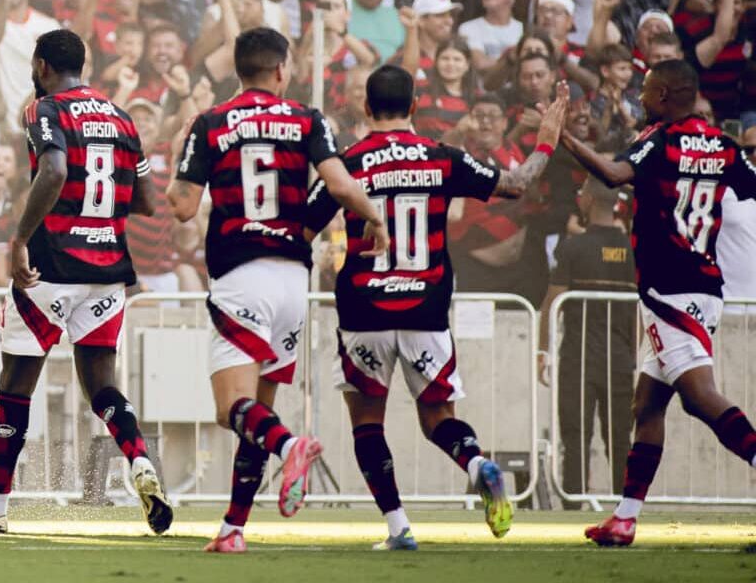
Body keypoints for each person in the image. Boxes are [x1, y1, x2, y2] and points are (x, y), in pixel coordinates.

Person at [306, 65, 566, 550]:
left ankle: (398, 527)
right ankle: (477, 465)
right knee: (437, 418)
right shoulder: (441, 157)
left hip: (365, 310)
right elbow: (516, 183)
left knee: (367, 420)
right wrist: (546, 139)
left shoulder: (349, 162)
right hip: (426, 308)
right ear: (414, 107)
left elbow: (305, 225)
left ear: (366, 108)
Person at [166, 27, 388, 554]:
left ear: (237, 70)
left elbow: (180, 207)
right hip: (293, 279)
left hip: (241, 275)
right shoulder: (308, 119)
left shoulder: (212, 122)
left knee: (231, 410)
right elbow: (337, 186)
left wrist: (179, 156)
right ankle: (233, 529)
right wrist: (374, 218)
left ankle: (293, 445)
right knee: (259, 409)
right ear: (283, 70)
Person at [0, 29, 171, 535]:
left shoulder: (44, 110)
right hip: (109, 271)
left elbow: (53, 170)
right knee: (103, 384)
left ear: (41, 66)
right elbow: (151, 202)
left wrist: (21, 238)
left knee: (16, 384)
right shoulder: (124, 117)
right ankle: (138, 460)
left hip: (50, 269)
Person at [560, 59, 756, 546]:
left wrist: (561, 136)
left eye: (646, 90)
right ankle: (624, 519)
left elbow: (610, 173)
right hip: (700, 285)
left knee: (698, 396)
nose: (640, 97)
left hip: (671, 290)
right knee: (647, 406)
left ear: (667, 95)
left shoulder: (660, 140)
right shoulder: (724, 146)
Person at [543, 182, 637, 504]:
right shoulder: (632, 249)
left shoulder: (573, 247)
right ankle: (625, 510)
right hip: (621, 358)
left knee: (575, 436)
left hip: (578, 357)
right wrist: (636, 356)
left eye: (581, 192)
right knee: (621, 439)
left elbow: (551, 303)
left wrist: (542, 351)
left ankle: (573, 507)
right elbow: (640, 312)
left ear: (590, 199)